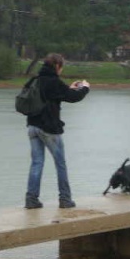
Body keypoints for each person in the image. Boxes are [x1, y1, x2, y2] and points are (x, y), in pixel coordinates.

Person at [25, 53, 89, 209]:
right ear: (57, 66)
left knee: (36, 163)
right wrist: (85, 88)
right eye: (62, 67)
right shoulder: (54, 81)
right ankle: (65, 199)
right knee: (60, 164)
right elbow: (73, 98)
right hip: (49, 129)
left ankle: (31, 199)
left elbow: (54, 94)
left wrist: (69, 88)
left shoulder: (35, 80)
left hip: (32, 127)